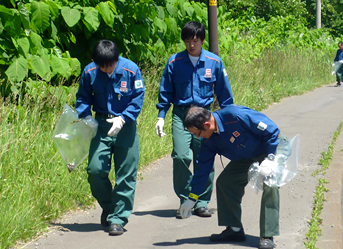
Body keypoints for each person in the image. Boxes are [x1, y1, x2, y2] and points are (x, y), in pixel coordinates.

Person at [180, 106, 291, 249]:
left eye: (197, 133)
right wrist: (192, 198)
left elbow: (272, 131)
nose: (197, 137)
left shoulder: (236, 116)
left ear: (207, 125)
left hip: (272, 147)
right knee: (225, 182)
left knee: (270, 182)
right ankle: (234, 229)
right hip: (247, 155)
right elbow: (203, 169)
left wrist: (270, 158)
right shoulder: (209, 140)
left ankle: (267, 235)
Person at [155, 21, 234, 218]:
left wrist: (229, 119)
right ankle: (185, 200)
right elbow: (165, 92)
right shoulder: (174, 62)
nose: (192, 45)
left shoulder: (214, 62)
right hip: (181, 115)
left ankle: (202, 202)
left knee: (204, 157)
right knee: (181, 156)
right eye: (188, 41)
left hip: (204, 115)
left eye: (196, 41)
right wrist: (161, 117)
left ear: (202, 40)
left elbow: (224, 94)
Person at [75, 40, 145, 236]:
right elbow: (82, 98)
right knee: (95, 170)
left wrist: (123, 119)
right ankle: (110, 206)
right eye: (102, 66)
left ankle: (118, 219)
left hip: (126, 126)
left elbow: (138, 96)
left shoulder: (131, 70)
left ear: (116, 59)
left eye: (110, 65)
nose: (106, 70)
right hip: (101, 125)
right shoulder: (90, 72)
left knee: (126, 173)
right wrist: (86, 115)